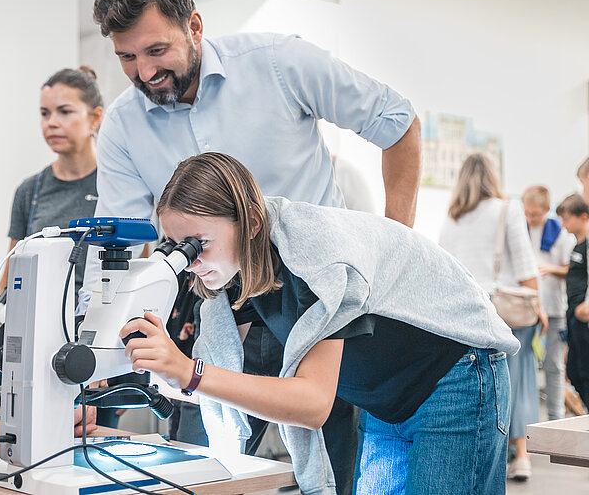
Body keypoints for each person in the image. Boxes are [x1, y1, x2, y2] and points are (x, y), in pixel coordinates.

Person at [84, 0, 422, 490]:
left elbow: (398, 123)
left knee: (328, 469)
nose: (144, 73)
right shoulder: (124, 125)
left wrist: (394, 250)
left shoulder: (280, 63)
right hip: (213, 306)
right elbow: (129, 252)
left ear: (194, 26)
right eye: (127, 57)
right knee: (197, 472)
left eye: (156, 51)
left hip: (316, 299)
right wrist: (102, 361)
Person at [119, 152, 515, 494]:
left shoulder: (317, 258)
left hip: (456, 375)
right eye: (177, 246)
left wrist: (187, 371)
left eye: (198, 244)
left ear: (252, 223)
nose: (190, 261)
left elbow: (312, 404)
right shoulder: (237, 270)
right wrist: (155, 374)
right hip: (387, 396)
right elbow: (225, 381)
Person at [0, 66, 104, 435]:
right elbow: (11, 271)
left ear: (95, 117)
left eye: (64, 112)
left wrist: (104, 348)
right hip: (36, 342)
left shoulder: (117, 185)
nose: (51, 123)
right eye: (44, 114)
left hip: (93, 344)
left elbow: (135, 269)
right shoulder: (31, 190)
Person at [438, 153, 545, 482]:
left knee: (479, 386)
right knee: (520, 376)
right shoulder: (506, 208)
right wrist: (538, 308)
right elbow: (527, 267)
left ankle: (483, 459)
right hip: (505, 311)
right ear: (492, 177)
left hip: (464, 312)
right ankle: (522, 455)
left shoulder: (452, 218)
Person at [522, 185, 574, 421]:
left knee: (553, 366)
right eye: (527, 213)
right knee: (525, 367)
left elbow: (570, 268)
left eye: (535, 214)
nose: (530, 218)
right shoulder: (520, 229)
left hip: (553, 309)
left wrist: (550, 269)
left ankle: (556, 419)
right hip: (527, 309)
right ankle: (527, 422)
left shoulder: (560, 233)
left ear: (545, 210)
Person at [557, 194, 589, 410]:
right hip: (573, 318)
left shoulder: (586, 245)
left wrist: (582, 309)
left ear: (583, 217)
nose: (564, 224)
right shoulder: (576, 246)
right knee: (574, 372)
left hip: (582, 317)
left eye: (567, 219)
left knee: (585, 373)